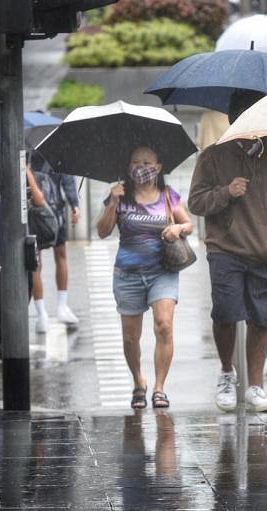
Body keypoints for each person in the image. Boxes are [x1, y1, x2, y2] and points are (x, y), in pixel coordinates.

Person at [188, 89, 267, 414]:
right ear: (233, 119)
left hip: (264, 252)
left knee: (262, 319)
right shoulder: (213, 156)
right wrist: (225, 192)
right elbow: (195, 202)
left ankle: (255, 386)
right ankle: (226, 373)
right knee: (225, 314)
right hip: (225, 251)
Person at [96, 146, 193, 409]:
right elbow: (102, 231)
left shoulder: (167, 195)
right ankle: (139, 380)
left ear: (159, 167)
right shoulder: (120, 195)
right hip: (127, 274)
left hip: (162, 271)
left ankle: (159, 388)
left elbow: (189, 224)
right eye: (136, 162)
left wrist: (178, 227)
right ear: (128, 167)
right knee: (130, 337)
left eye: (148, 162)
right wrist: (113, 203)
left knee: (164, 325)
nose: (141, 167)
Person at [0, 143, 44, 355]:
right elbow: (40, 201)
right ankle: (14, 330)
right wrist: (25, 169)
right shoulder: (16, 175)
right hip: (17, 240)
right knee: (24, 288)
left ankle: (3, 342)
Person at [29, 151, 81, 333]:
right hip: (55, 214)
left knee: (36, 263)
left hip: (32, 213)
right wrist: (75, 205)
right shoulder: (58, 151)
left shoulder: (25, 152)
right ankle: (61, 306)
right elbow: (67, 181)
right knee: (61, 256)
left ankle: (41, 314)